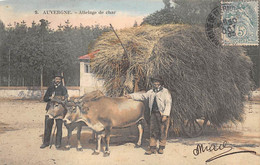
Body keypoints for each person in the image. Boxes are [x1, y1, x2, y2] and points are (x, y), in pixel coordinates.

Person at [125, 76, 172, 155]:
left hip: (162, 114)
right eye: (154, 82)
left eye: (157, 82)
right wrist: (131, 96)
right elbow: (142, 96)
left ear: (160, 83)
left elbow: (168, 103)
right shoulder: (151, 92)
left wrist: (165, 115)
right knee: (152, 130)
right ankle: (152, 147)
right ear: (153, 83)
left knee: (162, 130)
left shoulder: (165, 92)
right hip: (153, 113)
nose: (156, 84)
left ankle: (161, 147)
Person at [40, 74, 68, 149]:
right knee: (48, 126)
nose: (57, 80)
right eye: (56, 79)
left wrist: (62, 100)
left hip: (59, 109)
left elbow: (66, 99)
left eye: (59, 79)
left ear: (60, 80)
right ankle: (46, 142)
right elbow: (45, 98)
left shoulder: (63, 89)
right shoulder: (50, 88)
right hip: (51, 109)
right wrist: (50, 98)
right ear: (54, 80)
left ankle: (58, 143)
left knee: (59, 127)